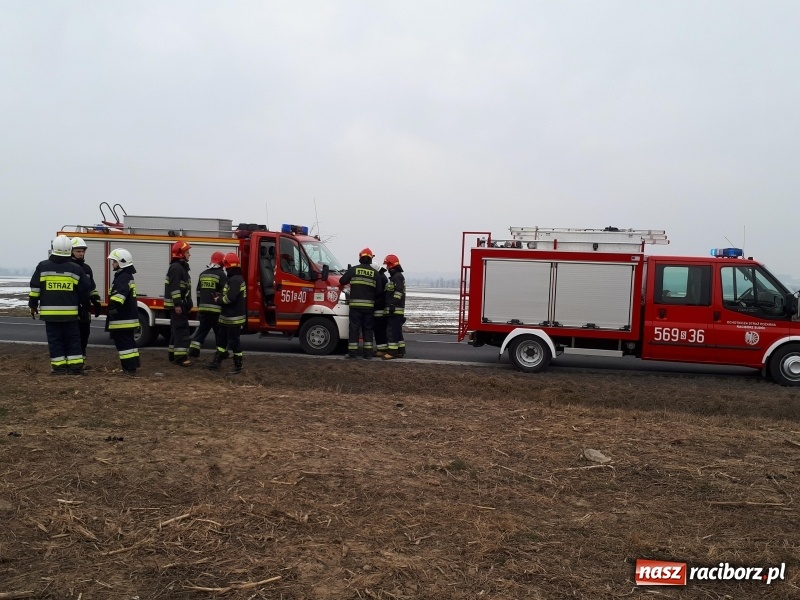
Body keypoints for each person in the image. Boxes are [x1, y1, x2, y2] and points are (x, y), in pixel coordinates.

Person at [28, 235, 92, 375]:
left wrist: (33, 306)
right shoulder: (75, 268)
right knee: (73, 340)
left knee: (55, 341)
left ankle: (59, 369)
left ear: (53, 249)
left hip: (50, 315)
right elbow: (86, 287)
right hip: (70, 314)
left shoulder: (42, 266)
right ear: (69, 250)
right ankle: (75, 368)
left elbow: (35, 289)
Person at [339, 247, 382, 359]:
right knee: (367, 330)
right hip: (369, 308)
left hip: (355, 307)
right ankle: (368, 354)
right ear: (370, 259)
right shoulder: (375, 274)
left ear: (360, 258)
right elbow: (379, 292)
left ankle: (352, 354)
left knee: (354, 330)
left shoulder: (353, 270)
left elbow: (342, 281)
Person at [207, 252, 246, 374]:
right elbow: (229, 295)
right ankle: (216, 362)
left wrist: (218, 299)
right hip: (227, 317)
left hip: (233, 318)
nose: (225, 268)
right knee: (221, 341)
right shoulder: (235, 279)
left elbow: (230, 298)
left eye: (225, 266)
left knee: (234, 342)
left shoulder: (235, 280)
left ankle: (238, 366)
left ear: (229, 266)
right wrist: (221, 296)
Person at [105, 248, 140, 376]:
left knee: (124, 345)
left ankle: (129, 369)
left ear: (121, 262)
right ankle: (133, 365)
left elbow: (119, 295)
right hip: (129, 318)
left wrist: (112, 307)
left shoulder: (122, 277)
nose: (113, 264)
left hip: (122, 319)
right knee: (130, 343)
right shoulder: (127, 276)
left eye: (114, 261)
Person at [188, 251, 227, 359]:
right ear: (222, 262)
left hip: (204, 309)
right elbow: (224, 293)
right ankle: (222, 353)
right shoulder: (221, 275)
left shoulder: (203, 274)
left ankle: (193, 350)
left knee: (202, 330)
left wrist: (200, 306)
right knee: (219, 333)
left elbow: (198, 292)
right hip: (216, 311)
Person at [70, 237, 102, 366]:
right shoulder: (68, 268)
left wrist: (96, 300)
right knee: (73, 336)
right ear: (71, 251)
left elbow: (91, 287)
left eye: (82, 251)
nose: (81, 254)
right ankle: (74, 362)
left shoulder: (87, 269)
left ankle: (81, 361)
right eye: (78, 251)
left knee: (85, 335)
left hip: (85, 309)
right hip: (72, 308)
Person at [165, 240, 193, 366]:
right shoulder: (177, 268)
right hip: (178, 306)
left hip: (180, 304)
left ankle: (173, 354)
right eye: (187, 252)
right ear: (181, 254)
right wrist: (177, 304)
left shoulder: (179, 267)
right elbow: (175, 288)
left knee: (176, 330)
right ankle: (181, 358)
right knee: (182, 330)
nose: (189, 255)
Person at [381, 254, 406, 360]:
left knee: (391, 332)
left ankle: (392, 352)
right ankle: (400, 351)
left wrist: (392, 304)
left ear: (391, 265)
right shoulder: (396, 277)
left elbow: (398, 292)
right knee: (397, 332)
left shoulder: (397, 277)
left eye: (387, 265)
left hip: (395, 310)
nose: (386, 268)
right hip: (395, 310)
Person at [372, 265, 390, 357]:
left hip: (379, 308)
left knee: (379, 330)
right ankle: (383, 349)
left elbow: (378, 293)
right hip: (382, 306)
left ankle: (382, 350)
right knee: (381, 330)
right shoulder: (383, 276)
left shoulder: (380, 278)